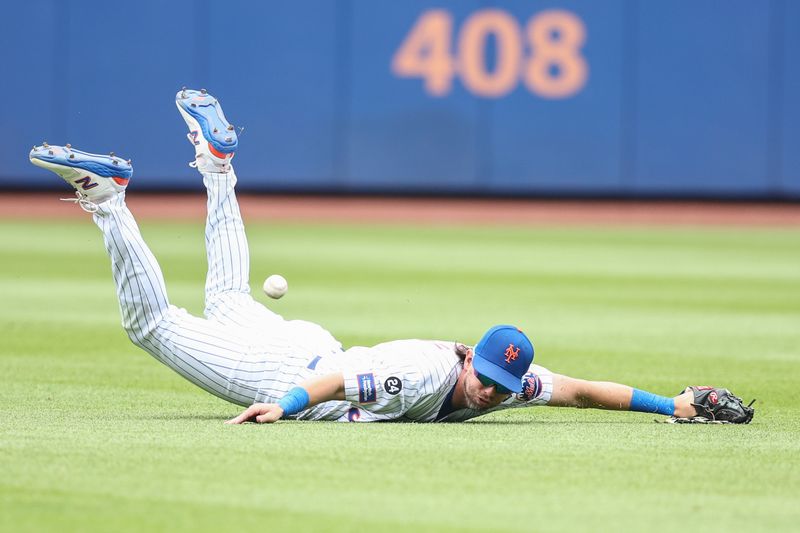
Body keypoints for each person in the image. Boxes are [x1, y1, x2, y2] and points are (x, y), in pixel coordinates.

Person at [28, 89, 755, 425]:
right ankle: (108, 196)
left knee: (226, 298)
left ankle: (218, 167)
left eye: (502, 385)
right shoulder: (426, 373)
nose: (492, 394)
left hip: (313, 343)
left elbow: (584, 390)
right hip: (298, 370)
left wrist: (675, 403)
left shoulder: (505, 379)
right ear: (468, 360)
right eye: (489, 380)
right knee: (152, 327)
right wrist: (277, 408)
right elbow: (341, 379)